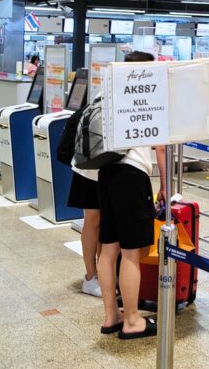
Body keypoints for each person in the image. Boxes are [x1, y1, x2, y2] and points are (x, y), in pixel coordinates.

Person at [97, 51, 168, 339]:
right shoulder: (148, 98)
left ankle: (111, 315)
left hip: (106, 172)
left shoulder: (106, 93)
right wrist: (165, 184)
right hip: (133, 175)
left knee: (109, 247)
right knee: (131, 253)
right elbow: (160, 147)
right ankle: (133, 320)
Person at [57, 89, 101, 297]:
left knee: (99, 223)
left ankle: (101, 274)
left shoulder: (92, 104)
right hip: (90, 172)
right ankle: (91, 277)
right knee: (93, 221)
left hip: (94, 170)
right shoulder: (98, 106)